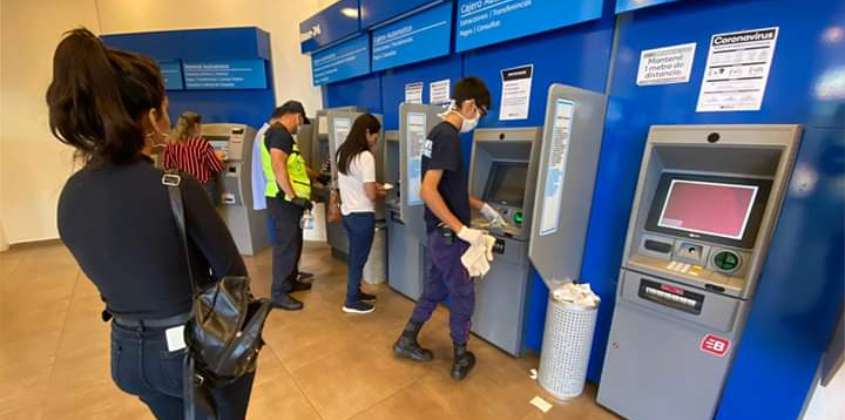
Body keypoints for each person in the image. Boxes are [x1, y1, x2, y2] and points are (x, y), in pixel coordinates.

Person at [48, 28, 254, 418]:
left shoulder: (70, 195)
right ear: (150, 117)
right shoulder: (175, 188)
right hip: (185, 354)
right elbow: (234, 279)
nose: (169, 117)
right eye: (165, 107)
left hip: (127, 352)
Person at [393, 77, 506, 381]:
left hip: (438, 234)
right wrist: (462, 230)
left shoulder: (438, 133)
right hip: (448, 236)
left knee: (434, 289)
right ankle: (460, 357)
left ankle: (406, 339)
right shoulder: (449, 136)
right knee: (463, 294)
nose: (478, 119)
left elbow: (447, 188)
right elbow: (428, 190)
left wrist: (481, 206)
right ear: (469, 105)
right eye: (480, 111)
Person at [260, 101, 314, 311]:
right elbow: (278, 165)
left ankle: (290, 282)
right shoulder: (280, 134)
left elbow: (295, 166)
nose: (298, 127)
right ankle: (279, 293)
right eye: (300, 122)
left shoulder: (279, 134)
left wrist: (318, 177)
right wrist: (292, 196)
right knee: (286, 246)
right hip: (284, 200)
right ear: (296, 116)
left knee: (294, 242)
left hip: (287, 200)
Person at [335, 114, 385, 314]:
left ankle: (356, 292)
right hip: (362, 216)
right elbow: (370, 193)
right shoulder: (365, 157)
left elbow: (352, 183)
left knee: (355, 257)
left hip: (348, 213)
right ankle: (351, 301)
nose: (376, 140)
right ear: (366, 132)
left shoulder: (343, 153)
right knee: (358, 259)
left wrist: (372, 186)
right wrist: (380, 190)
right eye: (375, 135)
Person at [162, 111, 224, 204]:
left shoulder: (171, 144)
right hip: (203, 188)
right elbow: (216, 167)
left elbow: (167, 166)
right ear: (195, 126)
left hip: (183, 188)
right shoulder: (201, 144)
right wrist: (218, 157)